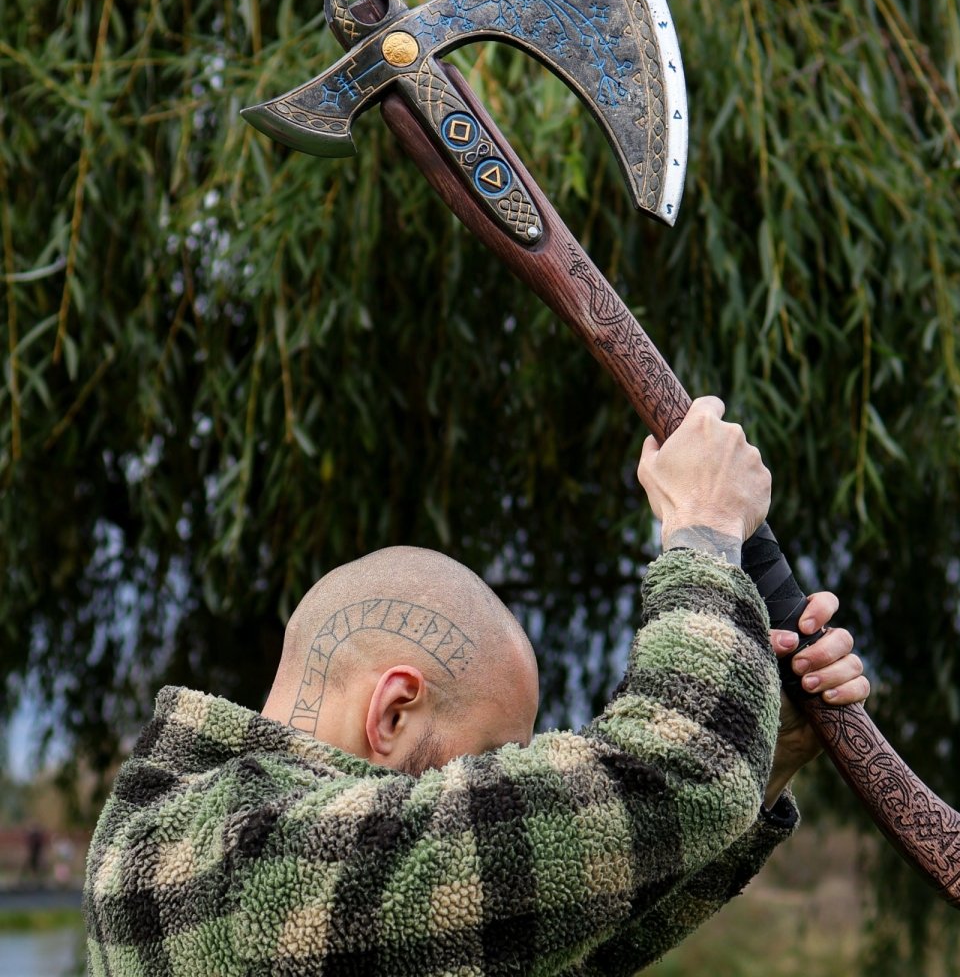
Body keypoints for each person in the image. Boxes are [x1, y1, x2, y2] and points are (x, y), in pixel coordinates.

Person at [83, 398, 868, 975]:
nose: (499, 787)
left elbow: (558, 937)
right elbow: (674, 778)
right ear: (392, 712)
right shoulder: (234, 867)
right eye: (493, 760)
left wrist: (766, 750)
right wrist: (703, 530)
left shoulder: (261, 878)